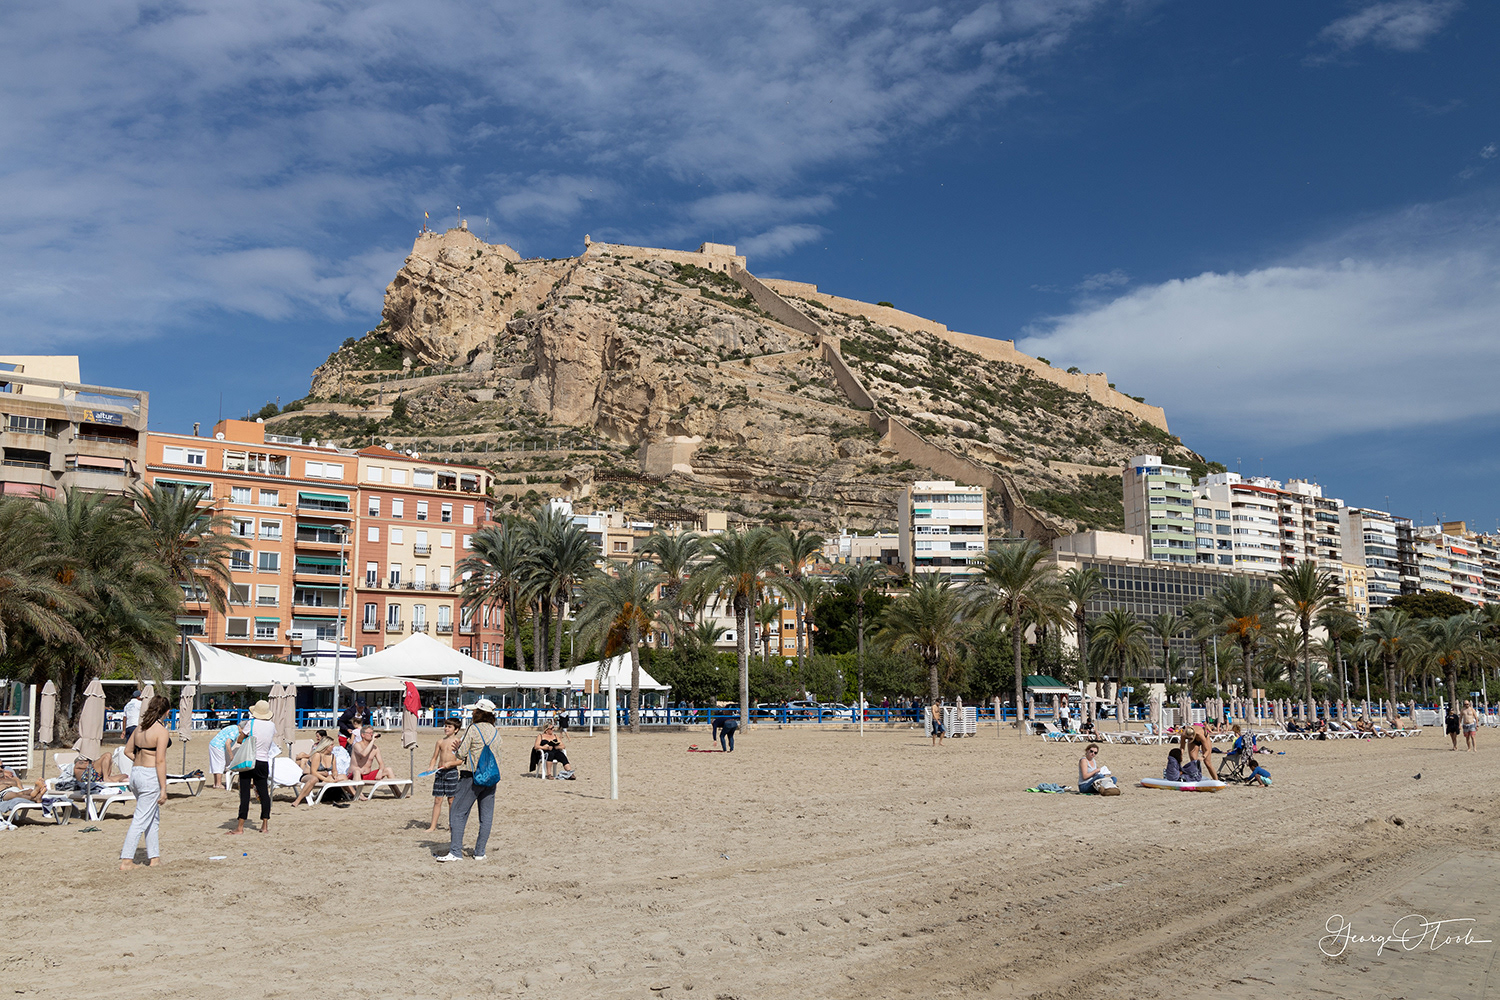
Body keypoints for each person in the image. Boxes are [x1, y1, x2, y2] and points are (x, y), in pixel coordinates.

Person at [436, 699, 499, 863]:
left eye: (474, 711)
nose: (472, 714)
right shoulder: (495, 731)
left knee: (457, 812)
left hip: (471, 775)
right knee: (486, 816)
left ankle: (455, 852)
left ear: (479, 713)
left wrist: (458, 749)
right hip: (491, 777)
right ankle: (480, 852)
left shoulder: (474, 728)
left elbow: (461, 754)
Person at [119, 695, 171, 870]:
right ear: (166, 712)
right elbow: (160, 761)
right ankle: (127, 860)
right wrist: (164, 788)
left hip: (136, 772)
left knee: (152, 818)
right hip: (149, 776)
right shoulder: (161, 732)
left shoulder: (140, 728)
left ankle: (154, 857)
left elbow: (127, 751)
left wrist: (141, 760)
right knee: (141, 819)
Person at [229, 700, 276, 835]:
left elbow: (239, 739)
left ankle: (240, 827)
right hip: (263, 761)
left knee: (245, 793)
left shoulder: (252, 723)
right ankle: (265, 825)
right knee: (264, 793)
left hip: (250, 760)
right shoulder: (272, 726)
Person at [427, 718, 461, 831]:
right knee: (437, 799)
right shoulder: (440, 741)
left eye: (449, 727)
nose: (446, 728)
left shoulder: (458, 742)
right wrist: (431, 767)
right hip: (440, 772)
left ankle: (452, 825)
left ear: (456, 730)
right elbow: (434, 757)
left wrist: (451, 763)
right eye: (446, 726)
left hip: (452, 772)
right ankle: (433, 826)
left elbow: (461, 761)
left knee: (451, 800)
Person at [351, 725, 395, 798]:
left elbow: (381, 763)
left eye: (372, 732)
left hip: (367, 775)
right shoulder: (357, 745)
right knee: (357, 771)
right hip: (354, 775)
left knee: (388, 770)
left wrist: (380, 771)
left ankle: (398, 793)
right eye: (369, 733)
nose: (371, 735)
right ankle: (360, 795)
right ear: (363, 735)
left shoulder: (375, 748)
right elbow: (364, 754)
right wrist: (372, 741)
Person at [207, 720, 243, 790]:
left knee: (216, 763)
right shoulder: (235, 732)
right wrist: (231, 755)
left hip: (213, 744)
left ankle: (216, 783)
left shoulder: (233, 727)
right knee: (220, 763)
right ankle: (218, 784)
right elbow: (227, 743)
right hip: (218, 746)